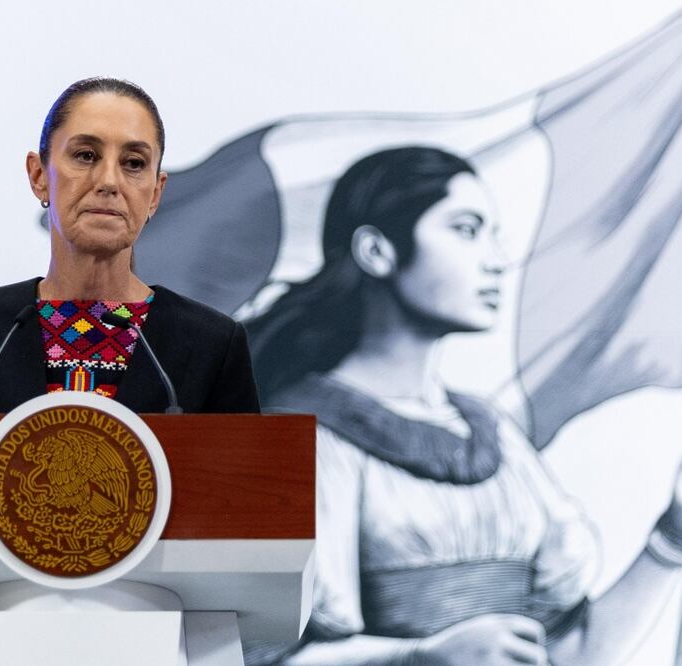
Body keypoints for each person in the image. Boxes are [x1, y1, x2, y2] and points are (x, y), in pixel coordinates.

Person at [244, 146, 682, 665]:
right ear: (377, 251)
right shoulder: (297, 437)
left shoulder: (493, 434)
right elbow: (259, 659)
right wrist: (417, 656)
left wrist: (672, 535)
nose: (497, 260)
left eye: (493, 234)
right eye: (467, 230)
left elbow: (572, 652)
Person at [0, 77, 260, 415]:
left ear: (155, 193)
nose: (109, 181)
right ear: (38, 176)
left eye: (134, 163)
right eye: (85, 155)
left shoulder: (211, 344)